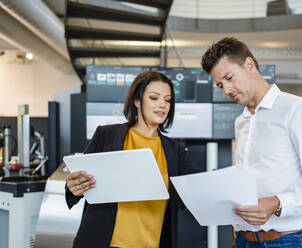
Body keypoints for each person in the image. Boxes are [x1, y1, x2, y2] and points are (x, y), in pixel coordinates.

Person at [201, 37, 302, 248]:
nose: (227, 89)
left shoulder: (297, 109)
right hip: (243, 240)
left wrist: (276, 204)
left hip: (287, 241)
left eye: (229, 78)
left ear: (249, 65)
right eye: (220, 85)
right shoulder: (241, 121)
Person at [65, 71, 200, 248]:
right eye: (154, 98)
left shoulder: (175, 150)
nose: (162, 105)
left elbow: (197, 187)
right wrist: (73, 187)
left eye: (167, 100)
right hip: (103, 243)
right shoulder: (107, 135)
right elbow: (77, 187)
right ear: (137, 101)